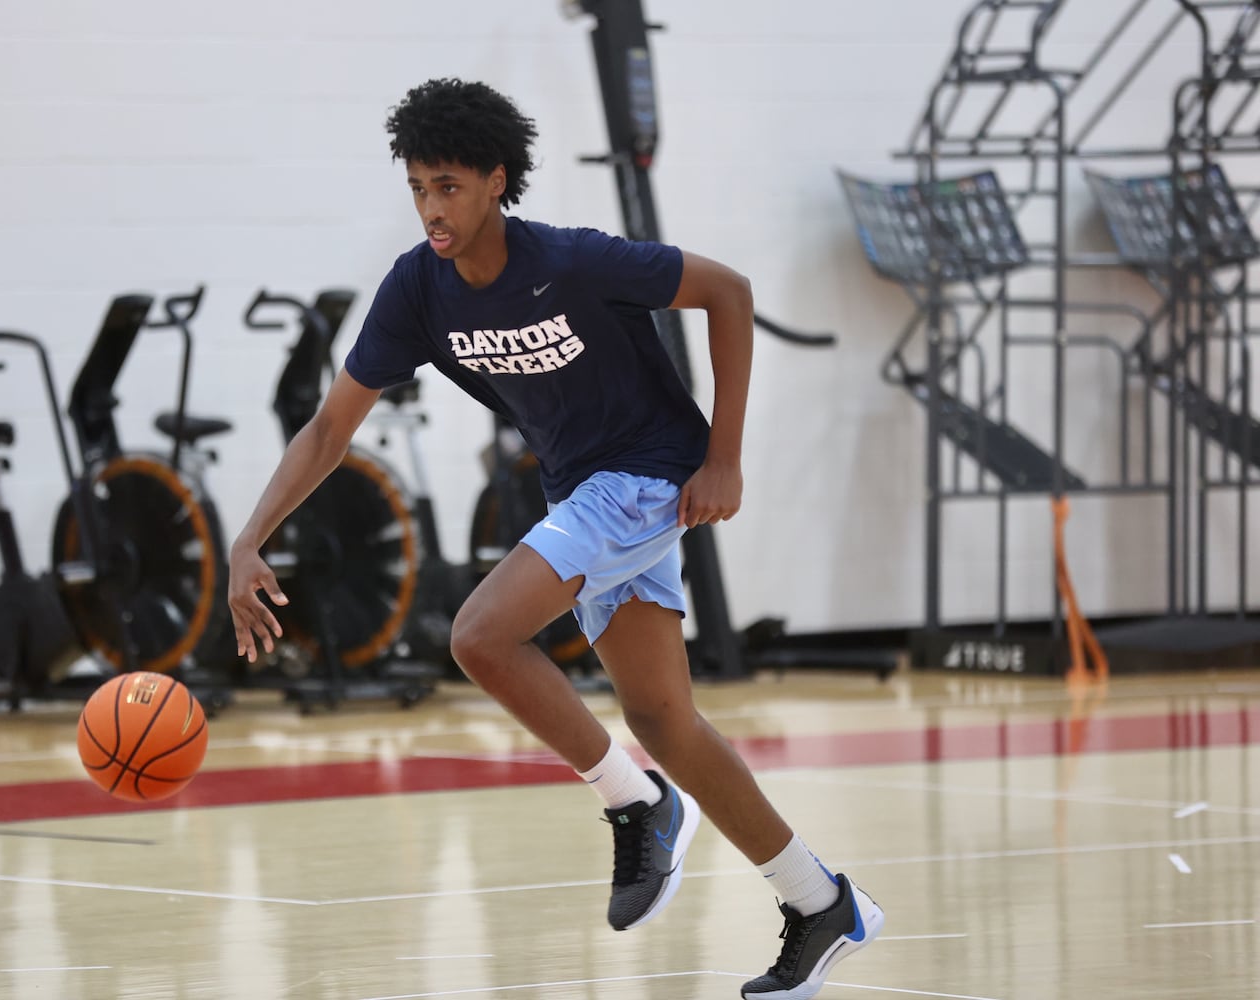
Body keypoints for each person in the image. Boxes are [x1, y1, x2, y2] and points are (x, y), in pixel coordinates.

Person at [227, 77, 883, 1000]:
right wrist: (249, 535)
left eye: (448, 186)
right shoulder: (417, 288)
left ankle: (638, 802)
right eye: (417, 188)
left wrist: (723, 458)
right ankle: (821, 903)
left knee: (479, 635)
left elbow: (728, 293)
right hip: (583, 489)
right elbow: (331, 427)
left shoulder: (574, 262)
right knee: (664, 720)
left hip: (651, 475)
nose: (430, 209)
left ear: (497, 181)